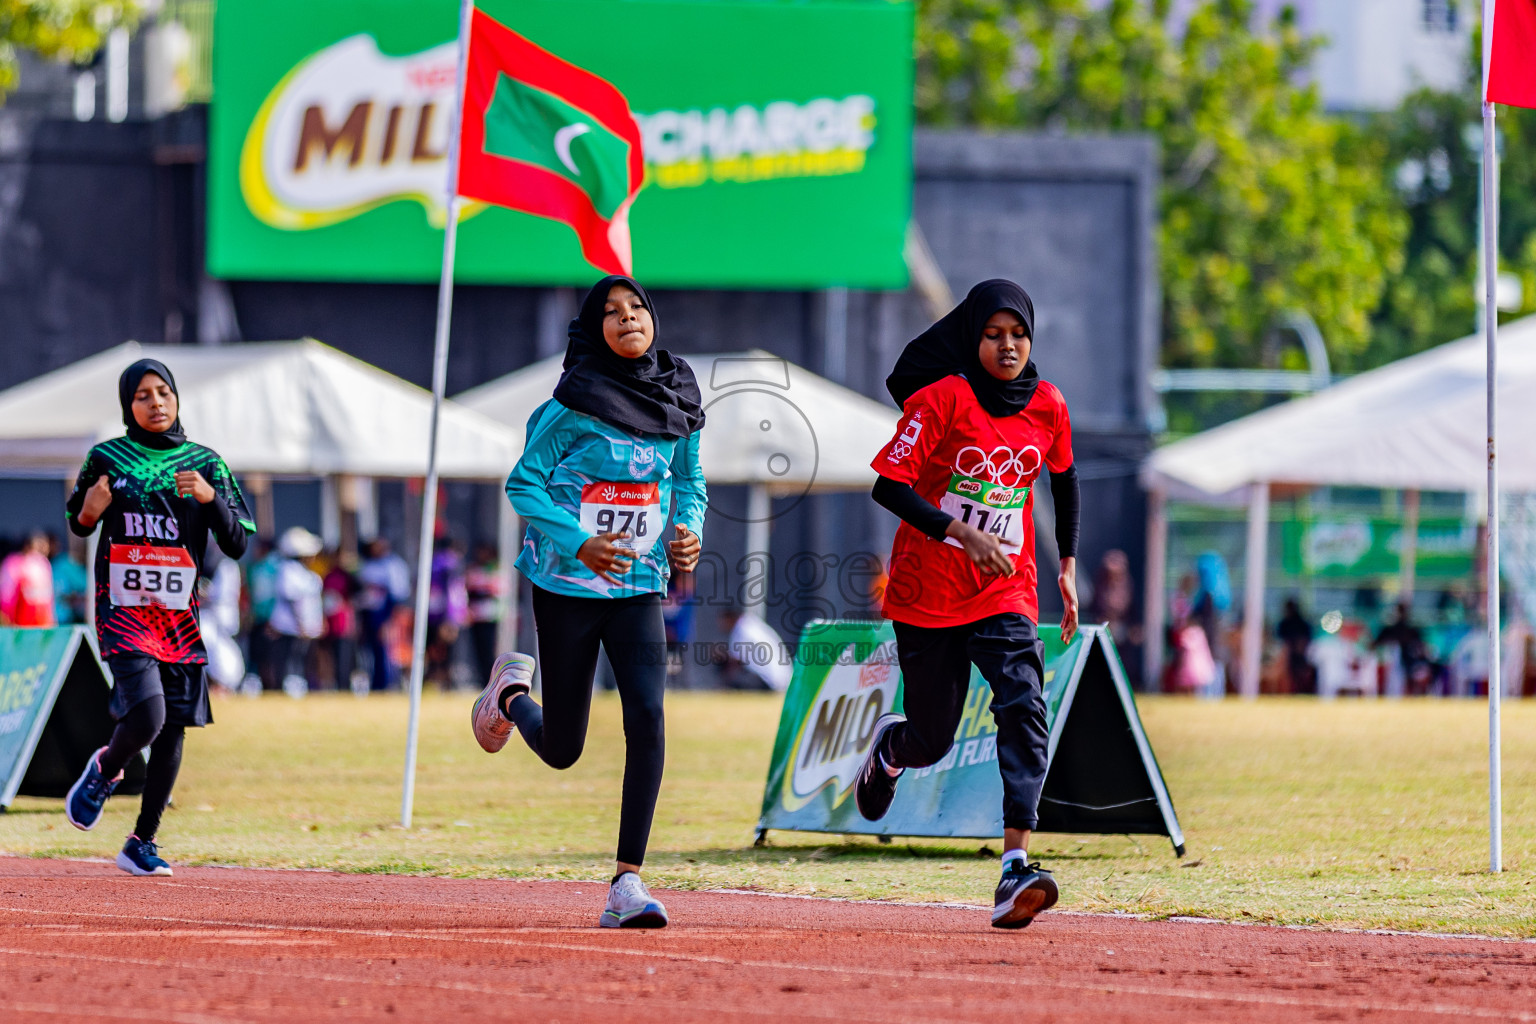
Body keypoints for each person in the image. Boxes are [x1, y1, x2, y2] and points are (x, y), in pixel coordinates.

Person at [470, 275, 706, 929]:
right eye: (611, 311)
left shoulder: (676, 395)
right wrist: (581, 543)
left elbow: (689, 478)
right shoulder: (570, 406)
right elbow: (523, 485)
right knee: (565, 747)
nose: (627, 317)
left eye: (637, 307)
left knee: (649, 717)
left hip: (638, 586)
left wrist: (689, 530)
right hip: (567, 587)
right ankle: (512, 698)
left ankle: (628, 882)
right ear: (593, 329)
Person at [855, 279, 1079, 930]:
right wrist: (960, 532)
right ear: (971, 338)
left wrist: (1066, 565)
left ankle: (1015, 868)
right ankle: (893, 750)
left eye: (1018, 334)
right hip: (928, 592)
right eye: (992, 334)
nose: (1008, 346)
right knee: (934, 736)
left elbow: (1064, 478)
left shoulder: (1048, 404)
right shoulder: (941, 400)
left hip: (1004, 587)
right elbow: (888, 487)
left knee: (1023, 704)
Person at [61, 358, 255, 875]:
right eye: (142, 395)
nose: (155, 403)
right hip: (124, 612)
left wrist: (211, 500)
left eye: (163, 392)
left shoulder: (205, 463)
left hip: (179, 617)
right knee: (148, 715)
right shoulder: (108, 458)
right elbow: (78, 526)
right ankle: (105, 769)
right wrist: (90, 509)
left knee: (174, 729)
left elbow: (237, 543)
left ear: (176, 398)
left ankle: (140, 842)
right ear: (128, 404)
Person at [268, 527, 325, 694]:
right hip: (290, 627)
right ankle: (286, 688)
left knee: (302, 660)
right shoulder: (288, 570)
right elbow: (292, 598)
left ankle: (301, 686)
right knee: (288, 660)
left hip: (305, 629)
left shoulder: (306, 573)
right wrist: (301, 623)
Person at [357, 537, 411, 691]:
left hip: (385, 613)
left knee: (387, 650)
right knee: (370, 651)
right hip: (368, 613)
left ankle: (387, 683)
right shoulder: (367, 563)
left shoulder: (393, 565)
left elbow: (398, 593)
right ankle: (375, 683)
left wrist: (388, 618)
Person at [426, 536, 469, 690]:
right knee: (447, 652)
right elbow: (451, 591)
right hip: (448, 615)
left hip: (433, 614)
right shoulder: (449, 562)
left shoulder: (434, 562)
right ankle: (445, 682)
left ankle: (436, 680)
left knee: (433, 650)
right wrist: (451, 617)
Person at [716, 606, 792, 691]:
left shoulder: (741, 630)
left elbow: (734, 663)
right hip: (783, 679)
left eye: (723, 622)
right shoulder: (752, 624)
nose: (721, 625)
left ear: (730, 618)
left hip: (769, 682)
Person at [320, 549, 360, 692]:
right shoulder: (329, 576)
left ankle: (345, 686)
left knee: (346, 657)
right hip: (331, 623)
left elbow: (357, 593)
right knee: (332, 657)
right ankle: (336, 684)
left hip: (344, 623)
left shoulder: (348, 577)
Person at [464, 542, 503, 685]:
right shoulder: (474, 569)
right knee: (479, 651)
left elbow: (496, 589)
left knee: (489, 651)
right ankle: (483, 680)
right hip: (476, 617)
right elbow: (470, 589)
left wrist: (482, 588)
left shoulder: (495, 568)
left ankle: (492, 681)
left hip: (491, 617)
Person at [0, 530, 56, 626]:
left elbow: (48, 598)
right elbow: (7, 598)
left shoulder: (43, 565)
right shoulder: (14, 564)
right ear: (27, 547)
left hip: (40, 623)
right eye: (38, 548)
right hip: (21, 624)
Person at [1276, 597, 1315, 695]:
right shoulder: (1285, 624)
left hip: (1300, 658)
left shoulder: (1300, 624)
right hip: (1289, 657)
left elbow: (1306, 642)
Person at [48, 532, 88, 626]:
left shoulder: (63, 563)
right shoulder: (58, 564)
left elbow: (85, 585)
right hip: (57, 619)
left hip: (62, 619)